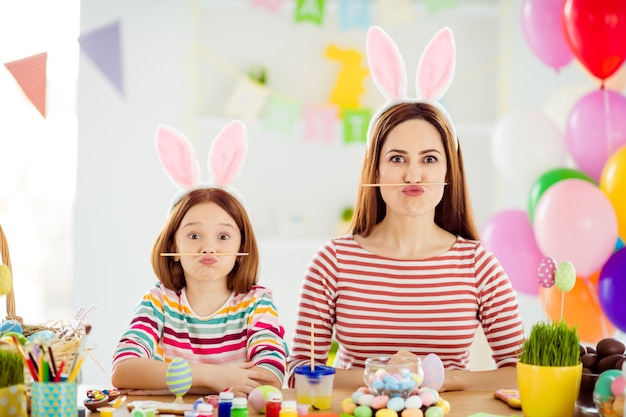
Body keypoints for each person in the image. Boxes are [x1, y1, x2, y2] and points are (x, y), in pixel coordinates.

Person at [286, 26, 524, 392]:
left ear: (448, 170)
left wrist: (448, 377)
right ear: (376, 169)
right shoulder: (332, 261)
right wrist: (378, 374)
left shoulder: (479, 266)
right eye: (397, 158)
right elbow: (298, 370)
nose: (414, 173)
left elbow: (522, 371)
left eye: (429, 158)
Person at [112, 122, 288, 397]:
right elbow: (124, 371)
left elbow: (270, 377)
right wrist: (214, 376)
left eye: (223, 237)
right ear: (173, 244)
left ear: (242, 246)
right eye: (194, 236)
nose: (208, 249)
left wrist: (170, 378)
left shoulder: (257, 303)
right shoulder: (159, 301)